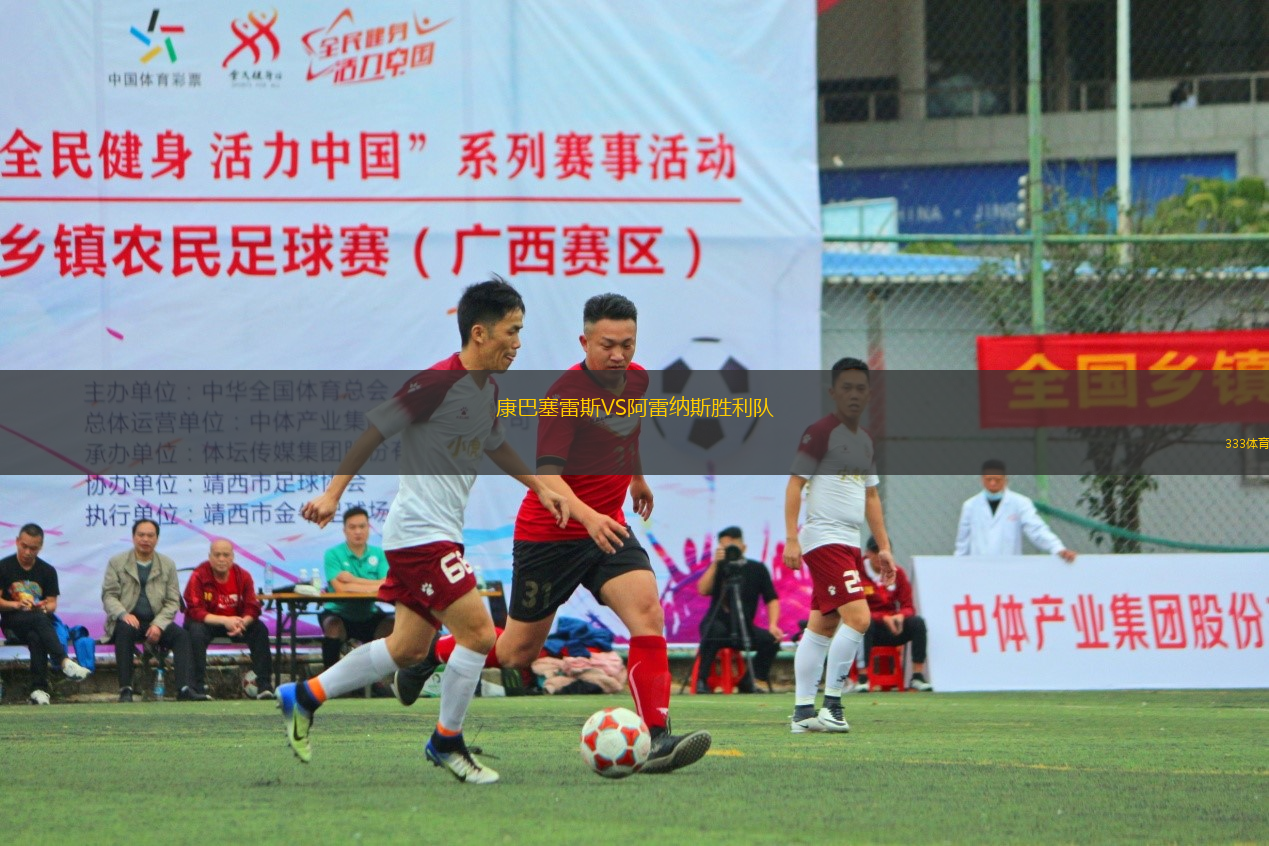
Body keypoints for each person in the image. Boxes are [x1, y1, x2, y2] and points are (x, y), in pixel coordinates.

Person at [397, 293, 713, 774]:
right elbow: (550, 477)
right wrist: (587, 517)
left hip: (607, 527)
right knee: (515, 652)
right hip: (551, 535)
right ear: (584, 341)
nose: (619, 355)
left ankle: (659, 736)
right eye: (607, 344)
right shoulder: (566, 395)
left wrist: (638, 477)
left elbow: (628, 431)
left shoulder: (638, 379)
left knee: (648, 613)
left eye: (628, 343)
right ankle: (431, 655)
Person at [287, 277, 568, 785]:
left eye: (522, 331)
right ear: (480, 333)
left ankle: (304, 696)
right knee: (481, 633)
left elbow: (496, 444)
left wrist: (541, 488)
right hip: (420, 535)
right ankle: (446, 742)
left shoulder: (488, 389)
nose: (519, 343)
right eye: (512, 331)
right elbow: (374, 430)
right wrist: (333, 494)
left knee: (408, 649)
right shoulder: (436, 383)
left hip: (437, 535)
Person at [783, 357, 896, 734]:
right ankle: (832, 704)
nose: (854, 394)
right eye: (846, 387)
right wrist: (792, 538)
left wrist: (883, 547)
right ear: (833, 392)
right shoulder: (820, 432)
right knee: (860, 618)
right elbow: (795, 484)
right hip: (825, 538)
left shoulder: (864, 441)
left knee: (822, 624)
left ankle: (802, 714)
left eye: (860, 388)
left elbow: (872, 498)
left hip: (847, 542)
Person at [102, 519, 206, 702]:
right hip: (128, 619)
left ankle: (184, 688)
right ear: (133, 537)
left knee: (181, 635)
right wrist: (123, 614)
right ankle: (125, 689)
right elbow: (109, 596)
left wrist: (159, 624)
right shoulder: (116, 562)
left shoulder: (167, 564)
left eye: (150, 535)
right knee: (124, 631)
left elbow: (173, 601)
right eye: (141, 535)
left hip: (157, 620)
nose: (145, 539)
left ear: (157, 539)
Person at [0, 524, 91, 704]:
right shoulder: (4, 567)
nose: (27, 552)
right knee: (39, 621)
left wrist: (43, 606)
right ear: (17, 542)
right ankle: (63, 662)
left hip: (38, 621)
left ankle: (38, 689)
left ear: (40, 547)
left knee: (37, 634)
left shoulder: (47, 571)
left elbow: (52, 604)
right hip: (12, 621)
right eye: (23, 546)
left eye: (32, 548)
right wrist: (17, 604)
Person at [182, 538, 274, 700]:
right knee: (195, 630)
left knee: (259, 629)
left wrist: (243, 622)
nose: (221, 559)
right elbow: (195, 610)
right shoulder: (199, 575)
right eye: (217, 555)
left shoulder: (243, 576)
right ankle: (197, 687)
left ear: (232, 557)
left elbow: (252, 606)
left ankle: (264, 686)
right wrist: (224, 620)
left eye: (226, 555)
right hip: (209, 622)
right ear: (210, 557)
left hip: (237, 622)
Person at [695, 526, 782, 694]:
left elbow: (772, 599)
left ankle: (750, 680)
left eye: (733, 546)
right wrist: (715, 564)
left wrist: (773, 624)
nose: (730, 550)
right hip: (717, 622)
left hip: (744, 626)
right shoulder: (718, 568)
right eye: (725, 547)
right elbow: (703, 590)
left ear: (743, 547)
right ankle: (701, 680)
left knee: (771, 640)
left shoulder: (757, 569)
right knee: (713, 632)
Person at [954, 459, 1077, 562]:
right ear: (982, 479)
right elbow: (962, 543)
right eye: (988, 479)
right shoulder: (970, 506)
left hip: (1010, 568)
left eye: (997, 480)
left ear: (1006, 479)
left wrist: (1057, 548)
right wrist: (958, 566)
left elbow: (1036, 529)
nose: (992, 483)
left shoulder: (1020, 503)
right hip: (978, 569)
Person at [319, 506, 393, 670]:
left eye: (362, 526)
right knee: (332, 625)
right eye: (352, 527)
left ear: (369, 528)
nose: (358, 531)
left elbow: (387, 584)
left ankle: (379, 682)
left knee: (393, 624)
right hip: (339, 613)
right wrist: (372, 585)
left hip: (369, 613)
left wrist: (352, 580)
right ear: (344, 530)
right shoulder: (333, 554)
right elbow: (340, 589)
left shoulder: (379, 553)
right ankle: (329, 682)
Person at [855, 536, 932, 692]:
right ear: (867, 553)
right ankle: (863, 678)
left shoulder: (897, 573)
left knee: (917, 623)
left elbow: (908, 605)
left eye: (883, 552)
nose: (879, 556)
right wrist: (882, 618)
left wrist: (900, 616)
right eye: (875, 551)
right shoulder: (857, 574)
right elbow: (855, 609)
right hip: (870, 628)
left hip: (893, 627)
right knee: (864, 624)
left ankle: (917, 676)